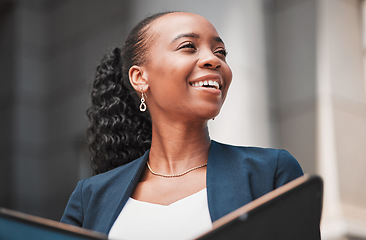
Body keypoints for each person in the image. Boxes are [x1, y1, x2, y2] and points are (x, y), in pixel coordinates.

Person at [61, 11, 303, 240]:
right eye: (188, 46)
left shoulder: (270, 172)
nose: (213, 60)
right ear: (140, 78)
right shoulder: (91, 196)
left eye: (220, 52)